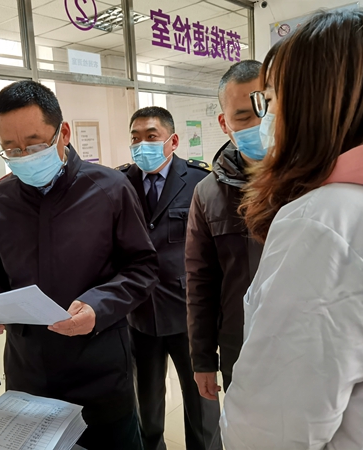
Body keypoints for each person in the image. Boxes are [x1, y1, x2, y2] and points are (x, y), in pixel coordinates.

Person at [221, 9, 363, 449]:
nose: (268, 116)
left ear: (309, 101)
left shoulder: (324, 223)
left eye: (271, 98)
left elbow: (271, 430)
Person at [0, 81, 158, 450]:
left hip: (99, 373)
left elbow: (143, 267)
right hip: (28, 375)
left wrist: (98, 306)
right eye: (11, 149)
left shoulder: (110, 189)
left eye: (35, 145)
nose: (24, 156)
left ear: (63, 133)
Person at [116, 107, 220, 450]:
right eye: (135, 138)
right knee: (146, 403)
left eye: (151, 136)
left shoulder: (199, 180)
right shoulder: (120, 183)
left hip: (187, 311)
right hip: (139, 312)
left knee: (201, 401)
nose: (141, 145)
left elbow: (211, 250)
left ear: (172, 141)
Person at [185, 60, 265, 404]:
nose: (259, 125)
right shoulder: (207, 193)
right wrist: (203, 358)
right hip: (239, 345)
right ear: (224, 123)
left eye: (266, 110)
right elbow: (201, 282)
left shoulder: (313, 177)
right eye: (244, 118)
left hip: (306, 342)